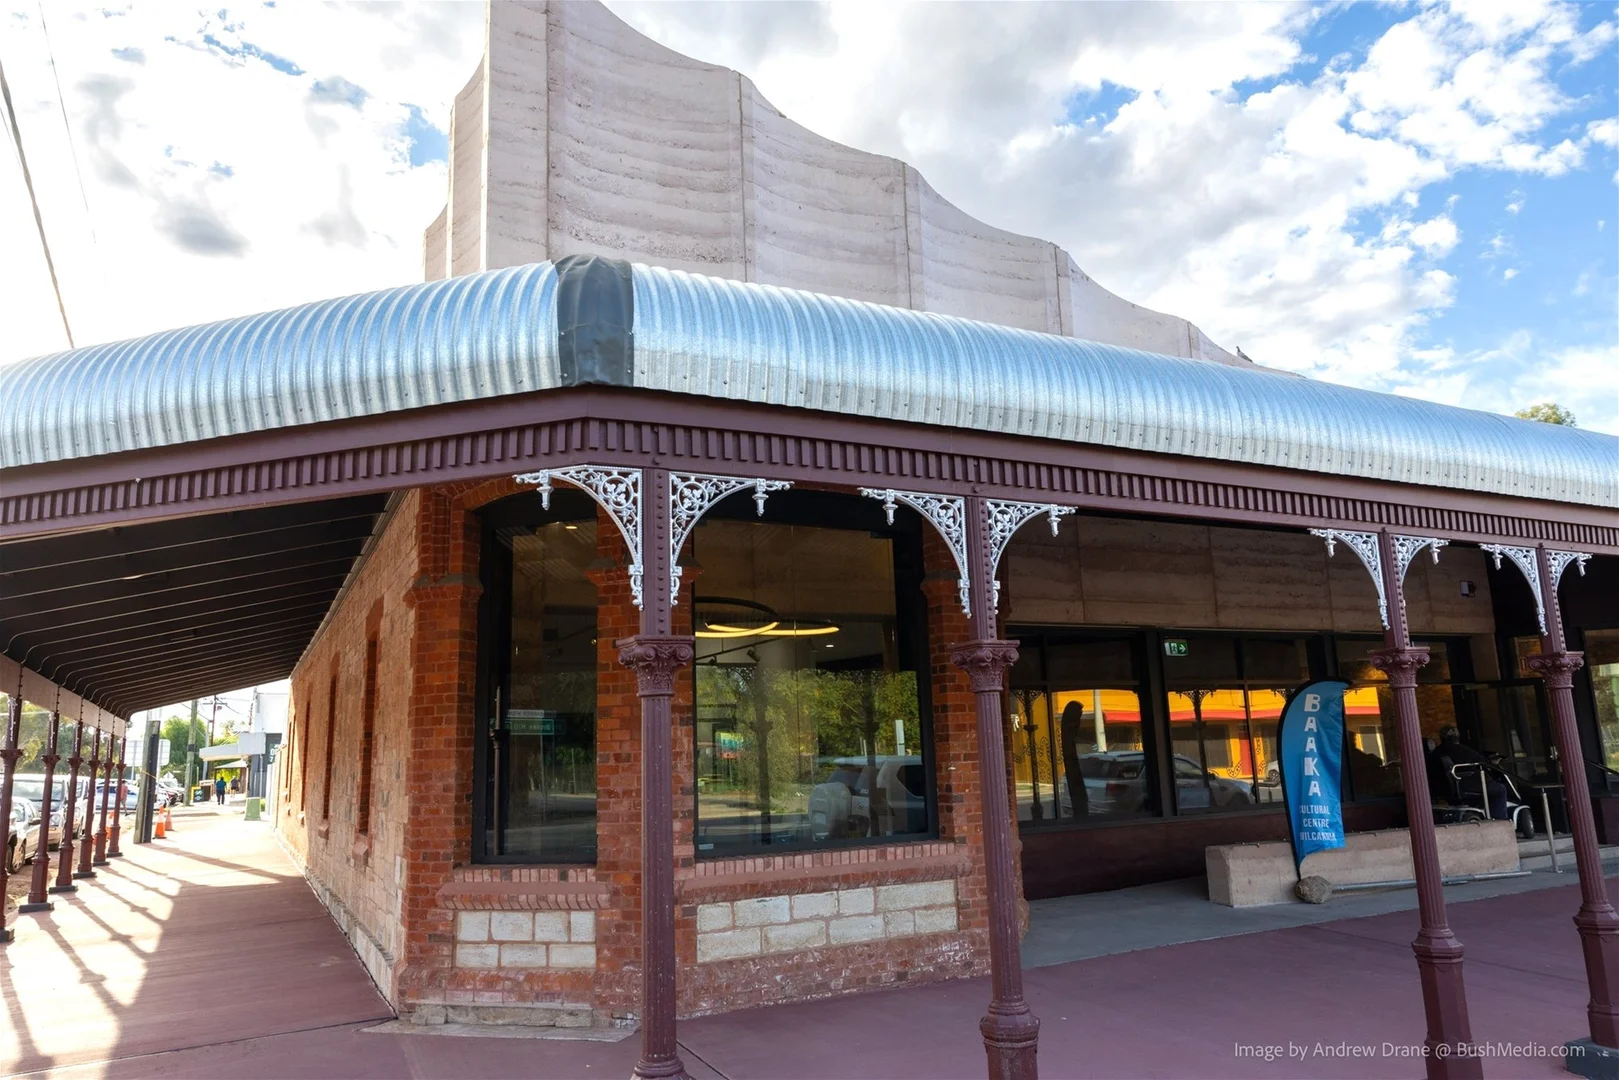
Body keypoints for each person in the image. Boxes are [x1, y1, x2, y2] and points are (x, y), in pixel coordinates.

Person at [1430, 725, 1507, 821]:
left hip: (1443, 788)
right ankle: (1500, 821)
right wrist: (1492, 761)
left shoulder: (1435, 753)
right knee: (1500, 789)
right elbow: (1482, 761)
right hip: (1465, 785)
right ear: (1457, 736)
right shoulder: (1462, 750)